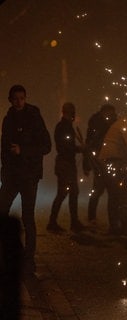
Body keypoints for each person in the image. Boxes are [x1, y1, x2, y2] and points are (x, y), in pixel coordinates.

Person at [0, 84, 51, 274]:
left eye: (22, 98)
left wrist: (23, 151)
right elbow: (4, 148)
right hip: (12, 175)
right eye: (15, 99)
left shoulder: (33, 117)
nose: (19, 102)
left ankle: (28, 260)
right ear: (10, 100)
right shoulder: (8, 119)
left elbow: (46, 146)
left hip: (29, 175)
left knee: (28, 217)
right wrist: (4, 173)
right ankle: (15, 253)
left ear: (25, 98)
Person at [47, 102, 85, 233]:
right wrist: (79, 149)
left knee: (72, 192)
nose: (72, 113)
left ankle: (73, 222)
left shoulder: (66, 126)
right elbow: (65, 147)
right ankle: (52, 223)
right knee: (63, 193)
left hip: (67, 164)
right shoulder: (63, 127)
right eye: (70, 111)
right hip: (65, 165)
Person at [83, 104, 117, 224]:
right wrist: (86, 165)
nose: (109, 115)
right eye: (108, 113)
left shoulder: (114, 125)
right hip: (98, 161)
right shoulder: (96, 124)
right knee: (97, 190)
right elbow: (89, 144)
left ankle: (113, 220)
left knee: (112, 192)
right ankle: (92, 216)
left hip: (111, 160)